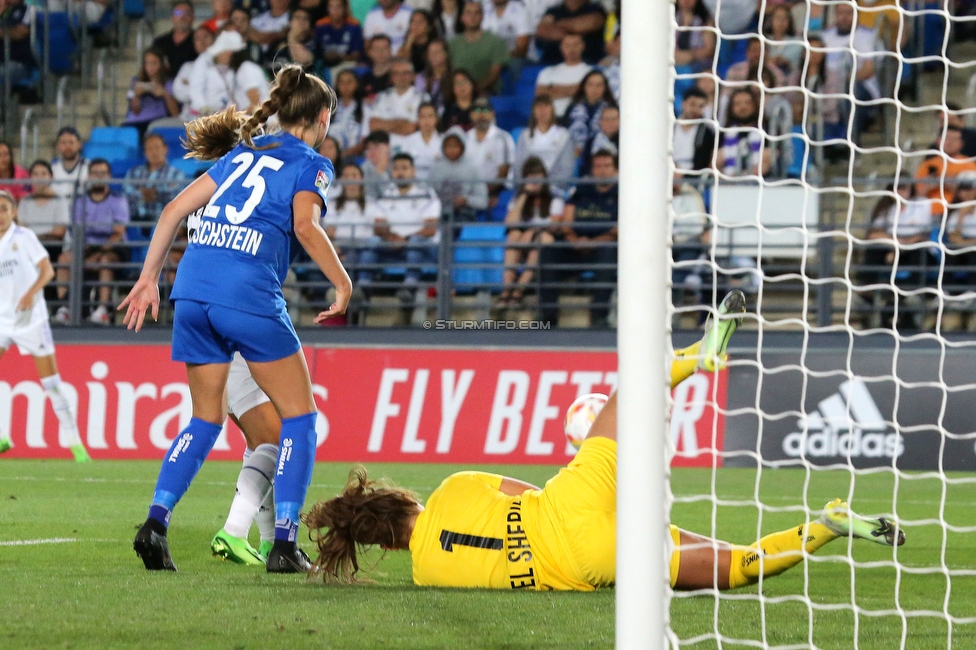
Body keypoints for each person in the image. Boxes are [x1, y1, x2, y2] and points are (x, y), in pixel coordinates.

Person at [303, 292, 906, 590]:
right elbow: (526, 491)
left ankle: (827, 524)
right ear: (404, 502)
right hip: (570, 503)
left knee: (738, 566)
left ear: (383, 543)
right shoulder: (457, 486)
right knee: (630, 393)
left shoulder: (427, 576)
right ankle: (698, 355)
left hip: (583, 561)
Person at [121, 64, 350, 574]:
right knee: (300, 418)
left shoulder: (241, 153)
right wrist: (343, 282)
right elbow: (306, 227)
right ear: (322, 116)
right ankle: (285, 546)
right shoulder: (311, 162)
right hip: (246, 293)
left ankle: (155, 524)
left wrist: (147, 277)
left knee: (205, 418)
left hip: (193, 291)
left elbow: (173, 210)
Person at [0, 190, 91, 462]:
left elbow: (48, 270)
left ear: (14, 212)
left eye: (4, 208)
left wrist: (30, 293)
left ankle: (76, 445)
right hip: (3, 319)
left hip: (31, 320)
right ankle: (2, 437)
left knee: (51, 383)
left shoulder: (23, 238)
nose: (1, 214)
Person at [538, 149, 617, 327]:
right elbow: (567, 219)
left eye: (607, 166)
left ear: (616, 169)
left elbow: (620, 229)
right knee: (549, 251)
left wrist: (593, 242)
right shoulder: (582, 190)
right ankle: (548, 315)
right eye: (598, 166)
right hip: (576, 244)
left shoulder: (623, 193)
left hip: (604, 246)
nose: (602, 170)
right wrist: (574, 239)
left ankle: (598, 315)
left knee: (610, 252)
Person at [55, 159, 131, 325]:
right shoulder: (80, 201)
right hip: (87, 247)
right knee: (64, 259)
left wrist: (99, 252)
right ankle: (64, 307)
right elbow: (77, 231)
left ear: (109, 176)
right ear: (89, 176)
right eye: (95, 173)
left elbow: (119, 233)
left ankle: (102, 309)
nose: (99, 177)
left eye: (103, 173)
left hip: (113, 247)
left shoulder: (118, 200)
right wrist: (87, 253)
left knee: (104, 260)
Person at [359, 152, 441, 299]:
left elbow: (430, 229)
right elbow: (378, 226)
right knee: (371, 242)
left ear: (413, 171)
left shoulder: (427, 194)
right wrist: (390, 237)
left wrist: (406, 239)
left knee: (415, 244)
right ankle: (362, 288)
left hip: (423, 247)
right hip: (393, 244)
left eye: (404, 168)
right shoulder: (386, 194)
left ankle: (409, 287)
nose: (400, 172)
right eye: (396, 169)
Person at [861, 180, 935, 329]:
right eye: (898, 188)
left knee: (920, 253)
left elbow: (922, 234)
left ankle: (911, 292)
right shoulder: (887, 209)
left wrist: (899, 248)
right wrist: (896, 245)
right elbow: (873, 234)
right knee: (873, 251)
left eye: (904, 188)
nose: (901, 191)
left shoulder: (921, 205)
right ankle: (870, 288)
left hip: (914, 247)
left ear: (911, 189)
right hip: (894, 246)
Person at [498, 157, 562, 308]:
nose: (535, 183)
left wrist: (533, 232)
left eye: (538, 179)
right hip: (522, 244)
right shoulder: (518, 199)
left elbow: (555, 227)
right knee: (513, 235)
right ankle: (506, 290)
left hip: (544, 243)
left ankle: (518, 291)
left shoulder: (554, 199)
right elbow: (509, 223)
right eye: (531, 179)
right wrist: (524, 195)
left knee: (539, 242)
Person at [820, 1, 882, 144]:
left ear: (857, 14)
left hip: (859, 87)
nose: (845, 17)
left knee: (848, 94)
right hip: (827, 87)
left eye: (849, 13)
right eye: (841, 13)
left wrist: (842, 81)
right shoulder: (825, 36)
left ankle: (848, 144)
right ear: (835, 15)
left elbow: (868, 69)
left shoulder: (868, 35)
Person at [123, 134, 187, 236]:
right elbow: (126, 197)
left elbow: (175, 198)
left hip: (162, 221)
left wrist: (152, 193)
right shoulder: (132, 173)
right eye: (149, 149)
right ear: (145, 152)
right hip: (135, 220)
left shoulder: (176, 174)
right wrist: (156, 194)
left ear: (165, 149)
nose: (154, 152)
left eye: (157, 147)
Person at [513, 95, 575, 191]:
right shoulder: (525, 136)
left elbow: (566, 170)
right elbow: (518, 168)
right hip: (528, 189)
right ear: (533, 111)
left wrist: (545, 186)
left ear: (552, 110)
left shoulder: (564, 136)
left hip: (555, 189)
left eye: (546, 106)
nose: (542, 111)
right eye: (538, 107)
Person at [447, 1, 509, 96]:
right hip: (457, 92)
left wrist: (473, 89)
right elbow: (449, 71)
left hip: (485, 91)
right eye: (468, 13)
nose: (472, 17)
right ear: (462, 17)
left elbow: (494, 74)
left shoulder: (495, 41)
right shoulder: (453, 43)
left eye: (477, 13)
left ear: (482, 16)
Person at [914, 126, 976, 218]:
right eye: (946, 138)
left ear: (962, 143)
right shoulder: (926, 165)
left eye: (954, 139)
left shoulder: (970, 165)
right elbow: (917, 194)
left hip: (959, 214)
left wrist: (953, 185)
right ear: (938, 141)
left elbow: (972, 195)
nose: (949, 142)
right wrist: (932, 184)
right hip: (928, 215)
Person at [427, 130, 488, 221]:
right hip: (439, 214)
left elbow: (483, 201)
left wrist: (465, 200)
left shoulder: (471, 168)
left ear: (462, 147)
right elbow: (426, 195)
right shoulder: (436, 168)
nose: (452, 150)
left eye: (455, 146)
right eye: (449, 146)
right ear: (443, 148)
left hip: (464, 214)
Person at [16, 161, 71, 258]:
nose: (39, 177)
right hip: (28, 246)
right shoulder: (25, 201)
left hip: (52, 247)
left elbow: (59, 232)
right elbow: (21, 229)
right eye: (35, 174)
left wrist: (34, 238)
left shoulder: (60, 199)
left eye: (44, 173)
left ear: (51, 177)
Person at [123, 49, 181, 139]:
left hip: (155, 121)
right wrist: (137, 96)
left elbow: (175, 114)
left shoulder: (168, 83)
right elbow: (135, 111)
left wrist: (165, 94)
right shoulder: (136, 82)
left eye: (153, 63)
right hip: (133, 122)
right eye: (147, 63)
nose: (150, 67)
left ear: (161, 65)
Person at [465, 97, 515, 199]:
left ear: (492, 114)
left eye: (486, 110)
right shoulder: (465, 138)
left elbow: (504, 172)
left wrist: (483, 193)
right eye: (477, 110)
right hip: (468, 191)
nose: (481, 115)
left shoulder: (503, 138)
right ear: (471, 115)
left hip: (496, 191)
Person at [535, 33, 592, 118]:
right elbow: (541, 96)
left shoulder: (591, 72)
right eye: (567, 45)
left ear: (582, 46)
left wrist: (553, 89)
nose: (571, 49)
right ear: (561, 47)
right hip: (552, 118)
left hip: (580, 117)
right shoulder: (548, 72)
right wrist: (577, 89)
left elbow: (590, 94)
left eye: (575, 44)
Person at [718, 88, 771, 178]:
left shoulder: (767, 130)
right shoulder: (723, 133)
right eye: (737, 104)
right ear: (731, 108)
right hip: (727, 185)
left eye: (747, 103)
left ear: (755, 105)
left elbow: (767, 162)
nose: (743, 107)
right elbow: (716, 163)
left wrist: (743, 177)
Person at [534, 0, 606, 66]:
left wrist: (555, 25)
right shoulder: (553, 10)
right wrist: (575, 29)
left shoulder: (595, 9)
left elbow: (592, 23)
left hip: (588, 63)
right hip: (552, 63)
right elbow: (541, 31)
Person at [562, 69, 616, 156]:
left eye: (599, 85)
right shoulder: (573, 108)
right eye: (590, 85)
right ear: (584, 87)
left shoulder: (611, 109)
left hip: (603, 153)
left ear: (605, 88)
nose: (594, 89)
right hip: (573, 153)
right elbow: (563, 132)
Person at [368, 58, 427, 136]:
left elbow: (411, 128)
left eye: (405, 73)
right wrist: (401, 123)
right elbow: (373, 125)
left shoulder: (423, 97)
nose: (401, 77)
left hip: (411, 146)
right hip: (385, 146)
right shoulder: (382, 96)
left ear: (412, 76)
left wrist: (385, 124)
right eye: (397, 73)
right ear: (392, 77)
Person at [392, 102, 443, 179]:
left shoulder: (443, 141)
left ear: (436, 119)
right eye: (423, 117)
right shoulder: (407, 141)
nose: (427, 120)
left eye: (430, 116)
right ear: (418, 119)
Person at [314, 0, 366, 72]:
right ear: (327, 9)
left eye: (338, 6)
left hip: (348, 64)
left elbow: (357, 54)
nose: (335, 10)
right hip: (324, 65)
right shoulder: (320, 25)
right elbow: (316, 52)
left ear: (344, 8)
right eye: (331, 7)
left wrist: (339, 57)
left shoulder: (354, 25)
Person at [482, 0, 532, 70]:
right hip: (489, 58)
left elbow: (521, 49)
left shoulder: (521, 9)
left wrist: (498, 57)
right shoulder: (483, 9)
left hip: (516, 58)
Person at [0, 0, 38, 91]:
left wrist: (2, 32)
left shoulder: (29, 10)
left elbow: (21, 32)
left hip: (20, 62)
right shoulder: (5, 11)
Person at [152, 1, 198, 75]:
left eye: (187, 13)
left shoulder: (199, 42)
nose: (182, 17)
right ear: (172, 17)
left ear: (193, 17)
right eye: (178, 13)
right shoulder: (160, 43)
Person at [330, 69, 367, 157]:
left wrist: (343, 155)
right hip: (331, 156)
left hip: (355, 156)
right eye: (341, 82)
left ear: (357, 84)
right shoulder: (331, 107)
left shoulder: (365, 107)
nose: (345, 86)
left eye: (349, 82)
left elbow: (365, 141)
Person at [272, 8, 319, 73]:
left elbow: (305, 61)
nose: (301, 21)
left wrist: (292, 38)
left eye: (305, 18)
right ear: (290, 22)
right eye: (297, 18)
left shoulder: (315, 42)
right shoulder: (277, 43)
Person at [674, 0, 716, 74]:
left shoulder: (705, 20)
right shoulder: (671, 19)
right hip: (675, 62)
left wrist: (689, 56)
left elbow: (709, 50)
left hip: (699, 65)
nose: (686, 1)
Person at [578, 104, 618, 177]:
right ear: (600, 121)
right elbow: (585, 167)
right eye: (607, 119)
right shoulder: (590, 142)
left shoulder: (627, 142)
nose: (610, 122)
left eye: (614, 119)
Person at [51, 127, 89, 201]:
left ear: (79, 144)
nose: (67, 147)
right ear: (58, 145)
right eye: (63, 143)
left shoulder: (89, 167)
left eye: (71, 142)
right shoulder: (52, 169)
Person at [416, 38, 453, 113]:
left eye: (437, 52)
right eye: (430, 53)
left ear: (445, 54)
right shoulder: (421, 78)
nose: (433, 56)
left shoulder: (454, 77)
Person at [398, 9, 437, 73]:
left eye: (420, 22)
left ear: (429, 27)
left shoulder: (434, 45)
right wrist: (409, 42)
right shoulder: (405, 46)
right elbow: (402, 64)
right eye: (413, 22)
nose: (416, 25)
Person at [359, 34, 394, 100]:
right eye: (376, 48)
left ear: (390, 51)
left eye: (385, 48)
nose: (381, 52)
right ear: (370, 52)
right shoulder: (363, 79)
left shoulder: (398, 76)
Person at [361, 130, 393, 200]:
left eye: (376, 147)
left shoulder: (397, 165)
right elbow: (368, 195)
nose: (372, 152)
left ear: (388, 147)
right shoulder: (363, 169)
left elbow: (393, 195)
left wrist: (380, 173)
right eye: (369, 148)